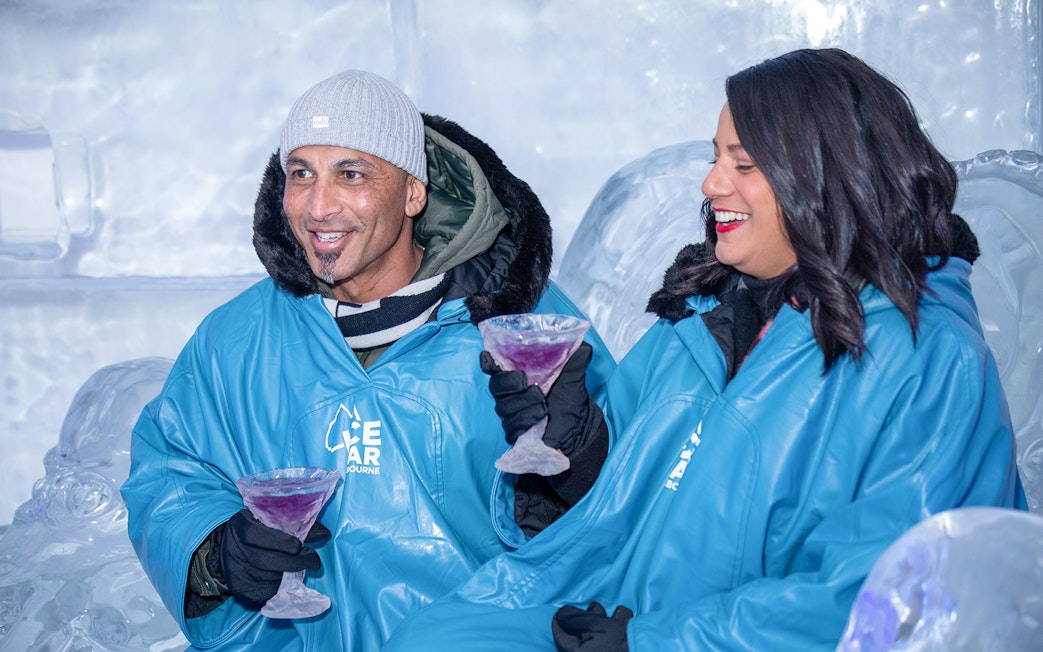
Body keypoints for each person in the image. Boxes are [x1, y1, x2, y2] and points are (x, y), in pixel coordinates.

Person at [381, 48, 1027, 651]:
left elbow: (891, 601)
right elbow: (622, 509)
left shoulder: (929, 360)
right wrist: (574, 451)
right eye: (717, 158)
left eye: (742, 164)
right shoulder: (703, 319)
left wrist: (656, 642)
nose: (710, 184)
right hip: (613, 614)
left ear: (825, 177)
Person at [121, 70, 614, 650]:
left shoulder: (521, 322)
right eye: (300, 173)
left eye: (351, 173)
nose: (318, 206)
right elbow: (169, 471)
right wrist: (216, 554)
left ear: (413, 192)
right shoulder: (233, 341)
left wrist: (577, 457)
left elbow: (633, 497)